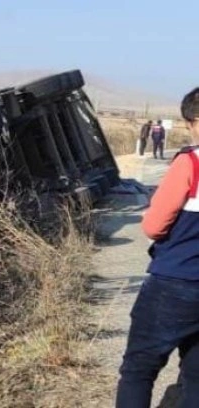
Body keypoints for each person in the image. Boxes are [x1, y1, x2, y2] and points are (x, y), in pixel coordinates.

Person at [116, 87, 199, 407]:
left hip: (175, 282)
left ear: (193, 122)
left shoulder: (190, 163)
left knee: (139, 369)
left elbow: (154, 225)